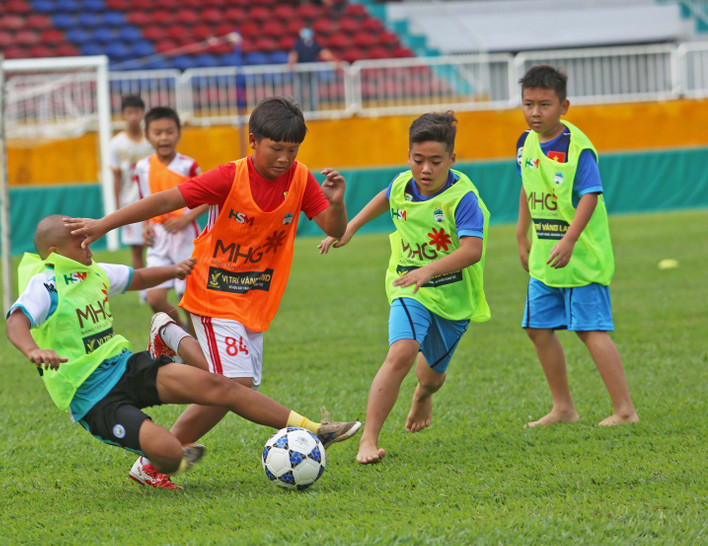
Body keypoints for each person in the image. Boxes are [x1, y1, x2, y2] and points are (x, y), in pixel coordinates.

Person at [65, 96, 354, 488]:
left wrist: (337, 205)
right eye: (276, 149)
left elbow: (334, 229)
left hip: (255, 298)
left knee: (235, 388)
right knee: (235, 384)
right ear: (253, 141)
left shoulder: (301, 179)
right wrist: (104, 224)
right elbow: (166, 199)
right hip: (212, 289)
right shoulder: (230, 176)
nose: (285, 158)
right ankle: (310, 429)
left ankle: (168, 340)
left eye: (293, 150)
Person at [6, 215, 361, 490]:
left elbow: (137, 278)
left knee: (222, 386)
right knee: (167, 450)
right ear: (55, 252)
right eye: (79, 241)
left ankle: (315, 430)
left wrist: (175, 270)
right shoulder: (46, 284)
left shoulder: (93, 272)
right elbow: (16, 320)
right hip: (93, 397)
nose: (89, 245)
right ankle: (168, 462)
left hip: (124, 367)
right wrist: (32, 349)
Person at [318, 111, 490, 464]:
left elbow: (472, 250)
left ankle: (423, 395)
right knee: (401, 352)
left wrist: (430, 270)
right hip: (407, 285)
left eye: (435, 162)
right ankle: (369, 440)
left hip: (453, 296)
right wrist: (350, 227)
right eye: (417, 160)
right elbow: (386, 197)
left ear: (452, 160)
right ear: (408, 155)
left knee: (431, 377)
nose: (425, 169)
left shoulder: (463, 198)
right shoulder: (402, 184)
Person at [515, 65, 638, 428]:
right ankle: (563, 409)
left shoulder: (577, 147)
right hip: (545, 258)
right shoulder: (525, 142)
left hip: (581, 256)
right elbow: (527, 184)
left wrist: (569, 239)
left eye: (545, 104)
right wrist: (521, 233)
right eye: (528, 104)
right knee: (537, 328)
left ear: (564, 106)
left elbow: (590, 196)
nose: (535, 112)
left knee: (589, 330)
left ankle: (625, 411)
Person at [132, 106, 206, 331]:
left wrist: (186, 219)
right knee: (154, 298)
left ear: (178, 134)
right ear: (147, 136)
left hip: (185, 237)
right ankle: (182, 333)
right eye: (157, 132)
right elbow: (144, 200)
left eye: (169, 131)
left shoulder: (189, 165)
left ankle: (195, 346)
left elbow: (208, 199)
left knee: (188, 301)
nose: (163, 137)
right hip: (158, 237)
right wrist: (146, 225)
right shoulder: (142, 167)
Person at [106, 94, 153, 282]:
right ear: (123, 115)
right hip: (130, 203)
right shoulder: (116, 144)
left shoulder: (152, 138)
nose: (133, 116)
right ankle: (143, 291)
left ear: (143, 113)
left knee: (158, 247)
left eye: (137, 112)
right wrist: (119, 208)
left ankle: (158, 287)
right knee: (137, 249)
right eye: (129, 112)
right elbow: (116, 177)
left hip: (154, 200)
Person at [287, 26, 340, 112]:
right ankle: (299, 110)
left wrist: (334, 60)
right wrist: (292, 63)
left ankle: (313, 110)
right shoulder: (298, 44)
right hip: (299, 72)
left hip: (311, 72)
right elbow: (294, 54)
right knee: (298, 92)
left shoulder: (314, 44)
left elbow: (324, 53)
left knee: (313, 91)